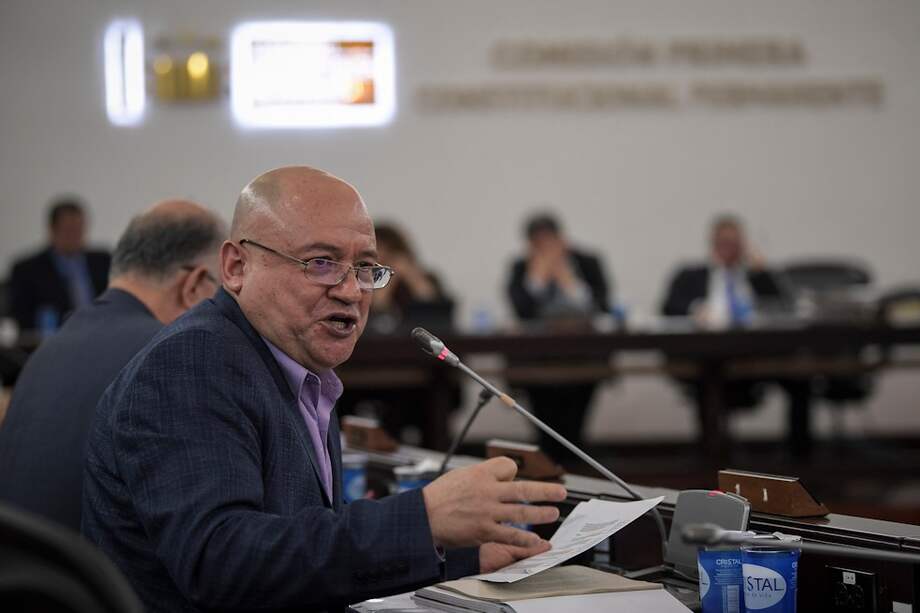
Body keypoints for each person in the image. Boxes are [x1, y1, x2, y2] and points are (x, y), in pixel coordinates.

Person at [82, 166, 567, 613]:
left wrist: (453, 557)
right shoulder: (193, 363)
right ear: (236, 267)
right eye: (320, 262)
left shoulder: (295, 367)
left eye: (365, 268)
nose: (351, 291)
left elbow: (300, 528)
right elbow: (222, 560)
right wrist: (422, 519)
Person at [0, 200, 224, 531]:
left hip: (25, 558)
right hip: (92, 564)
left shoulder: (51, 348)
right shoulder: (168, 356)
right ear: (194, 286)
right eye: (221, 289)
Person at [660, 214, 813, 456]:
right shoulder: (691, 275)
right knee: (708, 376)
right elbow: (668, 307)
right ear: (712, 244)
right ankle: (711, 454)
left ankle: (800, 456)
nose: (729, 249)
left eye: (734, 243)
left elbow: (785, 307)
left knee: (801, 374)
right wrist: (695, 309)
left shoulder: (756, 275)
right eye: (724, 243)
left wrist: (760, 273)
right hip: (710, 356)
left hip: (757, 355)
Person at [338, 222, 458, 445]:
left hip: (420, 368)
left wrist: (414, 279)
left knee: (436, 394)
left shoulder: (425, 279)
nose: (384, 257)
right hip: (372, 369)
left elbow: (439, 316)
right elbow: (373, 319)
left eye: (390, 251)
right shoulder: (360, 282)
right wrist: (385, 286)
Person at [506, 212, 612, 463]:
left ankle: (574, 456)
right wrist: (538, 278)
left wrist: (568, 280)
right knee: (544, 420)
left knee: (575, 419)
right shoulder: (521, 267)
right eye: (538, 243)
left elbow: (600, 306)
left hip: (582, 356)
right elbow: (521, 310)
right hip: (537, 358)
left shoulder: (587, 262)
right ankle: (548, 456)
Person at [9, 198, 111, 332]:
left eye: (79, 229)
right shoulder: (27, 270)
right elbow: (23, 320)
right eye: (69, 230)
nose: (75, 236)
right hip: (56, 338)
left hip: (102, 333)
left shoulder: (103, 261)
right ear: (52, 230)